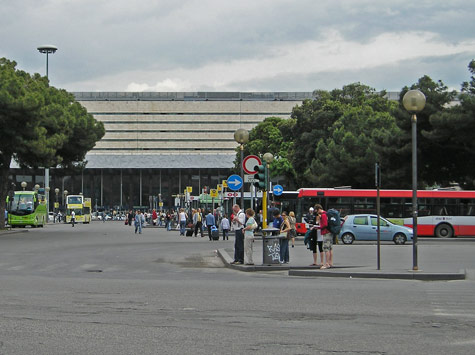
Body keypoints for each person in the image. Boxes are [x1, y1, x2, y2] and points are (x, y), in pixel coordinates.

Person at [315, 204, 332, 269]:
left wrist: (319, 227)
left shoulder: (324, 215)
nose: (316, 213)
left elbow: (325, 224)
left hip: (326, 233)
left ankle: (327, 264)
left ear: (319, 209)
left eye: (316, 211)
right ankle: (329, 263)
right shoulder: (326, 214)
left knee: (326, 248)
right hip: (329, 232)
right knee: (329, 248)